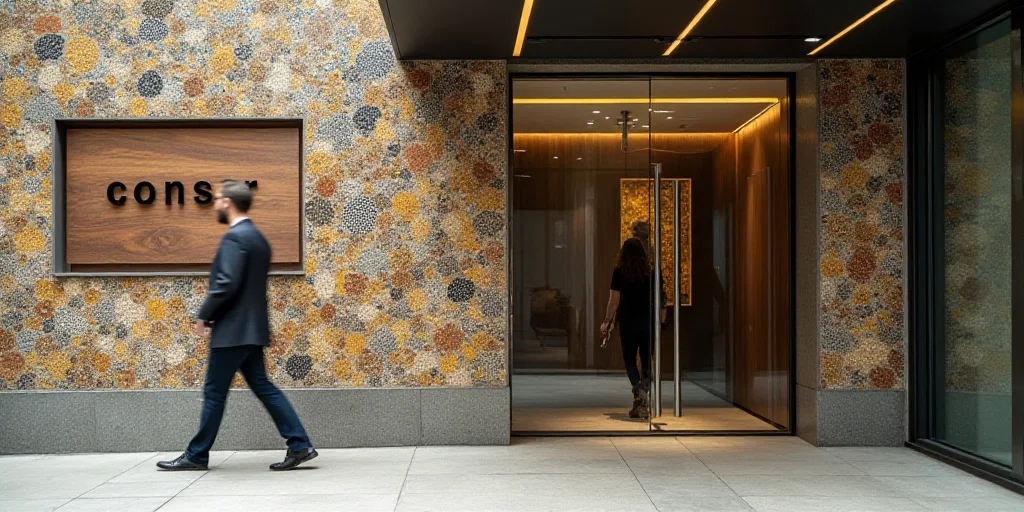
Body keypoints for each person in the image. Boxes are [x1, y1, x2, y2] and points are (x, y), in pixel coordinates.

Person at [157, 180, 317, 472]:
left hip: (232, 332)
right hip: (252, 330)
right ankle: (299, 444)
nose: (215, 204)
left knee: (214, 392)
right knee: (263, 386)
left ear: (228, 202)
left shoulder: (234, 238)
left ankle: (196, 455)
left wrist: (204, 315)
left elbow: (226, 283)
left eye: (218, 199)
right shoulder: (258, 238)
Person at [600, 237, 666, 419]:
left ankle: (638, 391)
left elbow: (614, 301)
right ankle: (643, 395)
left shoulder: (619, 272)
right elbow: (661, 299)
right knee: (646, 360)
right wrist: (661, 322)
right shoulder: (651, 273)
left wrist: (607, 321)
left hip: (628, 322)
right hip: (648, 322)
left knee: (629, 360)